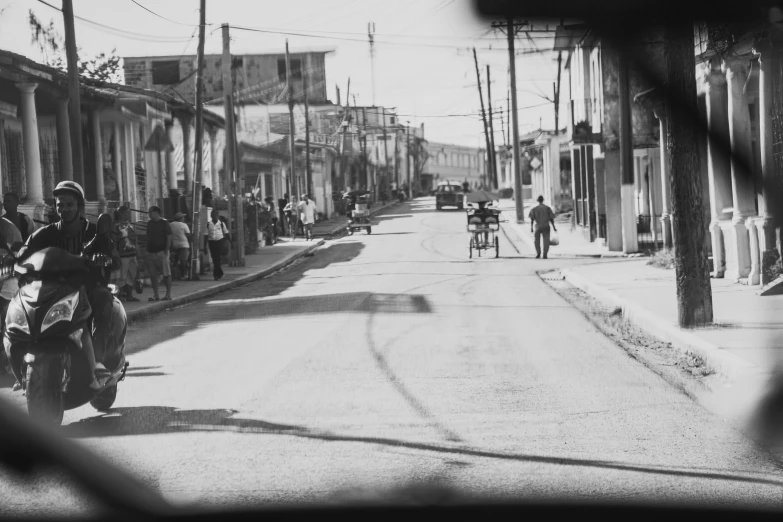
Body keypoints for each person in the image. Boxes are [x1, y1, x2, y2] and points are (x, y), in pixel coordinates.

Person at [15, 181, 120, 391]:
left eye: (69, 204)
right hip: (53, 289)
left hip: (86, 287)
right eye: (59, 205)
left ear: (79, 206)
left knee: (101, 298)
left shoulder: (93, 233)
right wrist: (14, 260)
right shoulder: (45, 233)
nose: (63, 209)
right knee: (22, 307)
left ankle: (98, 362)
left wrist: (103, 259)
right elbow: (24, 252)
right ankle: (22, 366)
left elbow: (114, 259)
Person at [112, 206, 140, 302]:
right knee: (122, 276)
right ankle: (121, 295)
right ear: (121, 213)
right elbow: (114, 241)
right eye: (127, 212)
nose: (129, 214)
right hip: (122, 254)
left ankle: (129, 295)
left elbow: (134, 239)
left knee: (131, 275)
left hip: (132, 253)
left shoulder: (130, 225)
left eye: (129, 212)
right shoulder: (116, 226)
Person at [143, 206, 172, 301]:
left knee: (166, 273)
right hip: (151, 252)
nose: (149, 214)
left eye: (150, 212)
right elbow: (148, 236)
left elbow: (169, 236)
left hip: (161, 252)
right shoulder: (150, 223)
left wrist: (166, 250)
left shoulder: (164, 223)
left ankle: (168, 294)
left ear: (156, 212)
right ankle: (156, 294)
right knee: (153, 275)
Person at [529, 195, 557, 259]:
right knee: (546, 241)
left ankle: (538, 253)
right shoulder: (547, 208)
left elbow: (532, 219)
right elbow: (551, 219)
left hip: (538, 226)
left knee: (536, 240)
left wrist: (531, 228)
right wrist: (554, 227)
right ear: (543, 200)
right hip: (546, 226)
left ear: (538, 201)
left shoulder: (534, 209)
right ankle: (545, 254)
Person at [205, 209, 230, 281]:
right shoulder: (208, 224)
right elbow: (205, 235)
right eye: (213, 215)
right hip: (211, 242)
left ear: (217, 216)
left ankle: (216, 275)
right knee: (214, 259)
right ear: (211, 216)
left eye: (215, 215)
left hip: (220, 242)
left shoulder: (221, 224)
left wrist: (230, 242)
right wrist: (204, 246)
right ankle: (220, 273)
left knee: (217, 258)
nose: (214, 217)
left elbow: (226, 233)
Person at [169, 212, 192, 280]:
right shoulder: (184, 225)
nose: (184, 218)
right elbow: (188, 235)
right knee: (183, 260)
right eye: (183, 217)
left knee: (175, 260)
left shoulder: (170, 224)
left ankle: (173, 273)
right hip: (183, 244)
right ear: (180, 218)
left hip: (174, 244)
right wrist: (191, 242)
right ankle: (184, 274)